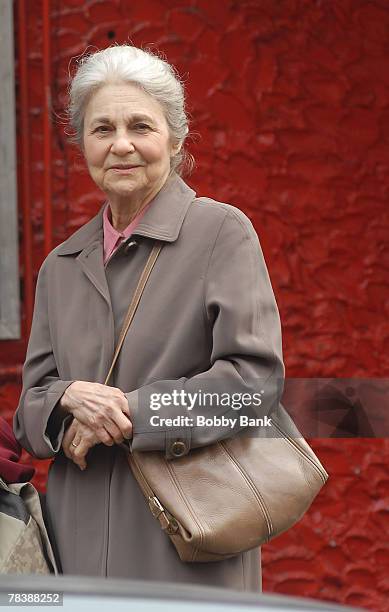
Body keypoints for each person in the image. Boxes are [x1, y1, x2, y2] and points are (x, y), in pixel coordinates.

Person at [13, 44, 285, 590]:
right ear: (82, 143)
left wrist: (131, 412)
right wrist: (67, 400)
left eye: (141, 126)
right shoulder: (60, 266)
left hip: (188, 541)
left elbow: (252, 387)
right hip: (77, 546)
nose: (121, 145)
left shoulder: (220, 233)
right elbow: (29, 408)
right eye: (102, 129)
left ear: (175, 138)